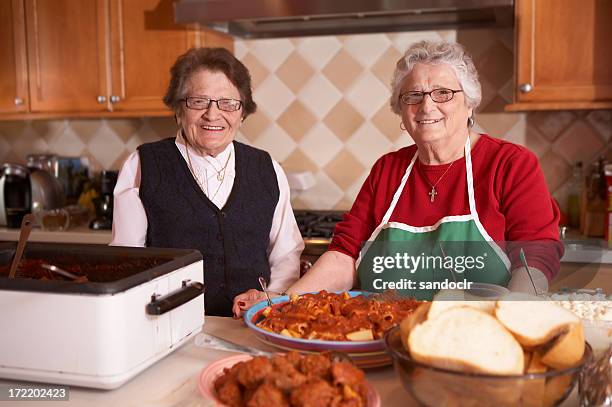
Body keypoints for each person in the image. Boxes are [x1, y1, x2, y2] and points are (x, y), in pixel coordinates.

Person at [234, 40, 563, 313]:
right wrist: (279, 303)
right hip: (382, 335)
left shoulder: (510, 164)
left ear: (470, 104)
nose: (427, 105)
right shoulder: (387, 170)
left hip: (475, 337)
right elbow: (343, 255)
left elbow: (535, 253)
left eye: (443, 93)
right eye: (413, 95)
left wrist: (515, 318)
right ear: (402, 113)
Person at [111, 47, 304, 316]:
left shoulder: (267, 168)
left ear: (242, 112)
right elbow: (126, 262)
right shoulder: (142, 166)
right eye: (199, 101)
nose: (213, 115)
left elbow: (285, 255)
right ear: (179, 108)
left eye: (227, 103)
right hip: (169, 328)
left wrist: (270, 300)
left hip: (253, 326)